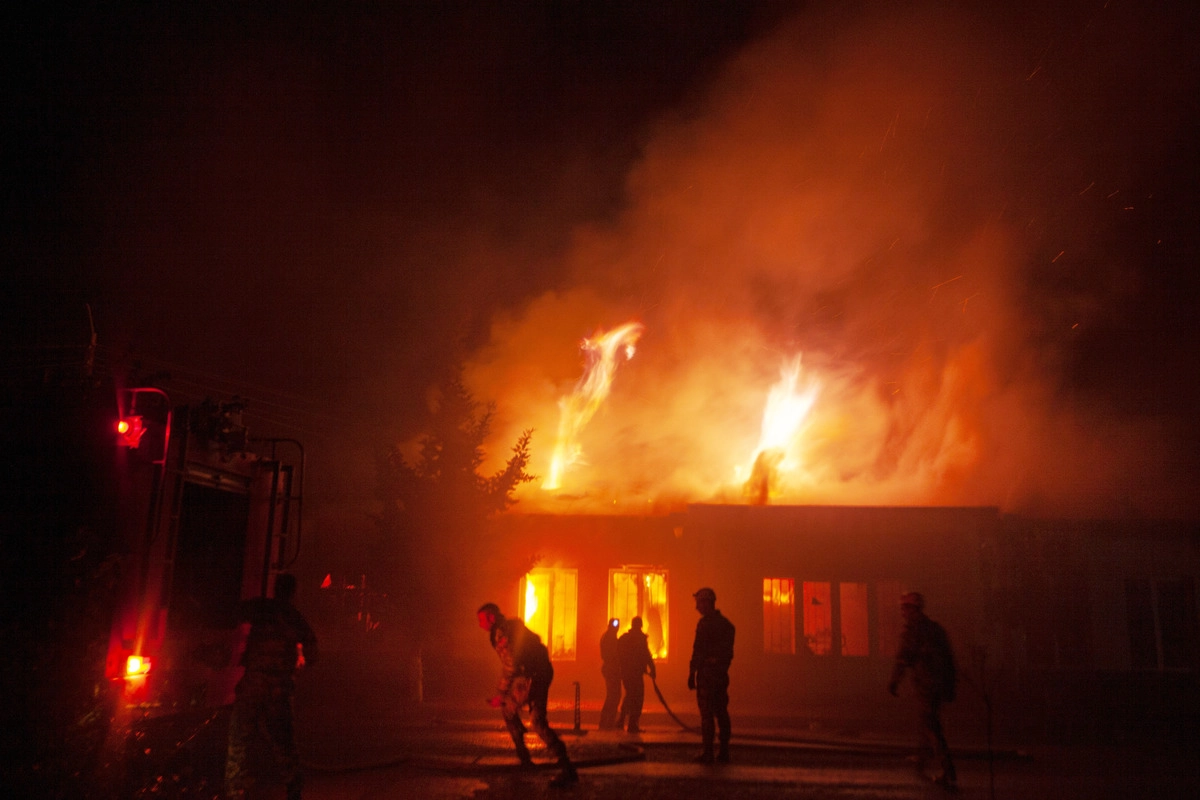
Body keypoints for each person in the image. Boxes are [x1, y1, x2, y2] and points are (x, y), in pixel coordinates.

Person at [225, 572, 318, 800]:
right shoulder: (294, 618)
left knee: (239, 742)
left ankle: (234, 792)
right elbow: (312, 653)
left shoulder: (260, 608)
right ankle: (294, 791)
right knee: (284, 745)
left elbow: (232, 613)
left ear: (275, 589)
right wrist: (297, 663)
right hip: (279, 691)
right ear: (293, 593)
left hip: (253, 686)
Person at [477, 602, 578, 788]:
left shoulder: (501, 633)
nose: (480, 624)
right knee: (535, 721)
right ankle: (565, 767)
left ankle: (527, 760)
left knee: (511, 711)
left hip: (530, 678)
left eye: (482, 619)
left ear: (491, 617)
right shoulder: (513, 626)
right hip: (540, 673)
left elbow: (511, 664)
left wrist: (501, 693)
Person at [888, 591, 958, 788]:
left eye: (905, 608)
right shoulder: (935, 629)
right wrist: (951, 686)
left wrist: (894, 681)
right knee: (926, 721)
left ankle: (948, 769)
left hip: (926, 685)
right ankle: (922, 759)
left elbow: (903, 658)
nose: (902, 612)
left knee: (931, 726)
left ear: (913, 609)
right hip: (938, 685)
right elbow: (949, 659)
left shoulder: (913, 631)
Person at [687, 587, 735, 763]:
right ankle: (724, 751)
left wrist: (692, 672)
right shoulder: (727, 626)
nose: (697, 607)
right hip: (720, 676)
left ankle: (708, 752)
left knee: (707, 714)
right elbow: (728, 654)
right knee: (721, 712)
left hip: (707, 676)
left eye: (699, 603)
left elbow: (698, 651)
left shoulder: (705, 625)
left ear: (707, 603)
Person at [615, 616, 656, 733]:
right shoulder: (640, 639)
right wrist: (652, 668)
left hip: (626, 674)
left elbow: (617, 654)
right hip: (635, 674)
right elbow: (646, 655)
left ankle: (621, 720)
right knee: (637, 698)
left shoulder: (624, 639)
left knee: (629, 695)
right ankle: (632, 724)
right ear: (640, 626)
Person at [598, 617, 622, 730]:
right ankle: (607, 721)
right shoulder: (609, 638)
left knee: (613, 695)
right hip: (611, 669)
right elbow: (612, 654)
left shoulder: (608, 636)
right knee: (614, 695)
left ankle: (606, 721)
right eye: (615, 625)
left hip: (611, 669)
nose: (617, 628)